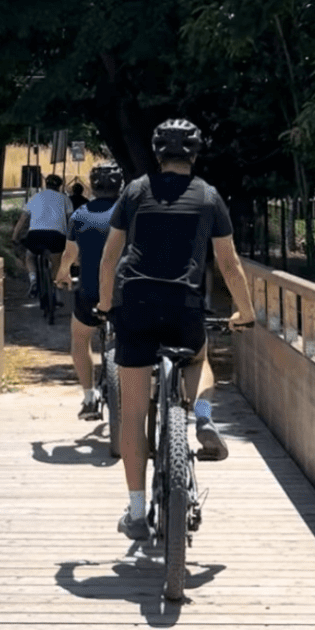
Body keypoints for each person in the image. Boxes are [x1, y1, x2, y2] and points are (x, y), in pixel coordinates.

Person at [96, 119, 256, 541]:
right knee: (199, 359)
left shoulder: (135, 191)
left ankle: (136, 513)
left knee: (133, 415)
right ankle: (202, 418)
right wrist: (245, 311)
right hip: (183, 304)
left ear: (156, 153)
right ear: (195, 154)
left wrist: (106, 305)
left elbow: (109, 258)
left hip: (135, 305)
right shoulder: (209, 196)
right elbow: (228, 263)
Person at [54, 162, 125, 419]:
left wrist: (62, 275)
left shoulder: (80, 215)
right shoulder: (132, 212)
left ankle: (88, 395)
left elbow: (69, 255)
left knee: (80, 338)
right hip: (127, 294)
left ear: (92, 187)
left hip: (91, 292)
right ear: (120, 186)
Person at [12, 174, 72, 299]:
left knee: (30, 257)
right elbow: (70, 220)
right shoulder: (65, 199)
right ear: (59, 186)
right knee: (57, 261)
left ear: (46, 184)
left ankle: (33, 279)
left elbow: (22, 220)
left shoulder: (35, 197)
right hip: (56, 235)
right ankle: (55, 288)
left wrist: (15, 237)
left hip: (36, 234)